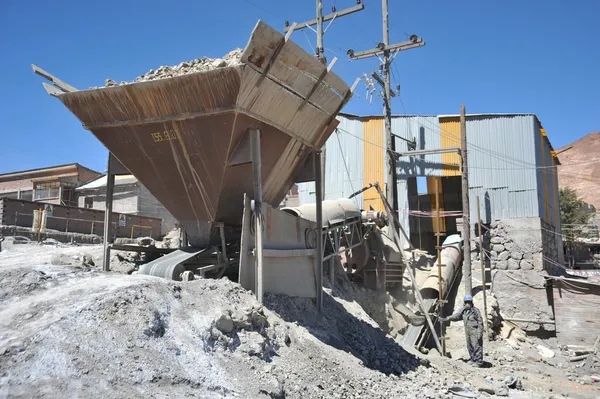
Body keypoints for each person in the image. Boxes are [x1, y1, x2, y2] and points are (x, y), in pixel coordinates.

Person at [440, 295, 484, 367]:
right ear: (464, 303)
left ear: (471, 303)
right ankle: (473, 359)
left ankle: (479, 362)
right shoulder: (463, 311)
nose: (467, 304)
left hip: (475, 331)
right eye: (466, 302)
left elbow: (480, 322)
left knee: (476, 346)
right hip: (468, 331)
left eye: (469, 302)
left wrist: (479, 332)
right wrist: (448, 318)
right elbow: (457, 316)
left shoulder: (475, 311)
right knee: (469, 346)